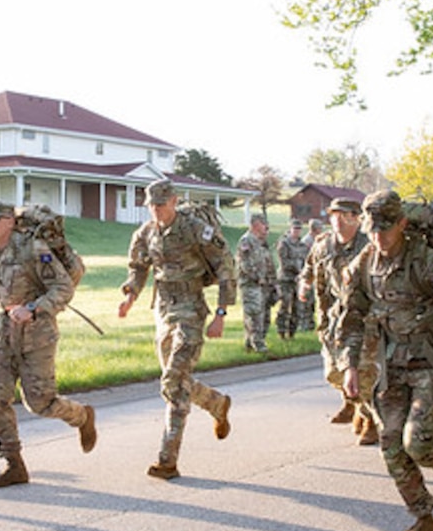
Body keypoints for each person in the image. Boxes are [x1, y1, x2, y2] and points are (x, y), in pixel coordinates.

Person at [341, 190, 433, 531]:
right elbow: (351, 318)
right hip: (391, 367)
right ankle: (423, 517)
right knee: (390, 442)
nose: (379, 236)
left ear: (403, 224)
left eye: (386, 228)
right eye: (372, 229)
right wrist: (350, 365)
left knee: (417, 441)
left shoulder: (428, 262)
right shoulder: (364, 265)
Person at [0, 201, 97, 487]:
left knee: (40, 403)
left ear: (10, 221)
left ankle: (82, 416)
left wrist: (33, 308)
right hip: (4, 333)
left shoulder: (33, 249)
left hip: (38, 333)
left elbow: (62, 288)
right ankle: (13, 464)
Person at [117, 179, 237, 480]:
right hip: (163, 309)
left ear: (173, 201)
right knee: (177, 381)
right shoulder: (145, 233)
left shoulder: (197, 229)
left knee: (172, 380)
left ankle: (167, 460)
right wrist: (130, 295)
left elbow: (225, 267)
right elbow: (138, 266)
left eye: (161, 204)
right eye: (152, 205)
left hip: (191, 309)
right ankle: (217, 403)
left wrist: (221, 313)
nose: (156, 210)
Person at [300, 197, 377, 443]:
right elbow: (309, 269)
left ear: (357, 218)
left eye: (344, 216)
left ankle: (370, 419)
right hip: (332, 318)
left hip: (364, 317)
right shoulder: (323, 245)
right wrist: (304, 284)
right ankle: (353, 404)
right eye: (334, 216)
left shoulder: (370, 245)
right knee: (333, 372)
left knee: (361, 371)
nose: (338, 221)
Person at [235, 213, 279, 354]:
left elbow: (268, 263)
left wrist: (272, 282)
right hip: (251, 285)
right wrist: (257, 278)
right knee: (254, 315)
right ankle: (258, 346)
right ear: (255, 224)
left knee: (264, 315)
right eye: (263, 223)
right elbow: (245, 264)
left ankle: (250, 345)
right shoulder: (247, 241)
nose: (265, 226)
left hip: (263, 285)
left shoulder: (260, 242)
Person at [275, 220, 310, 337]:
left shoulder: (303, 246)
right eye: (295, 228)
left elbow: (307, 261)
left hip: (297, 281)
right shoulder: (284, 243)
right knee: (285, 305)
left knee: (297, 308)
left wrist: (303, 272)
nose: (297, 231)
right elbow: (284, 262)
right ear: (290, 229)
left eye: (299, 229)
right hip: (286, 280)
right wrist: (297, 266)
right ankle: (281, 331)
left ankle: (292, 332)